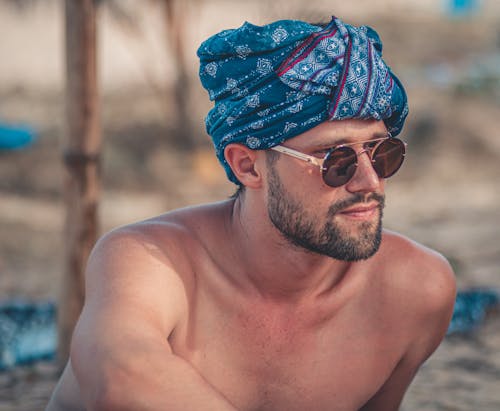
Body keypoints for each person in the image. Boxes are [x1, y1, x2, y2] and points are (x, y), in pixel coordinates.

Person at [46, 16, 456, 411]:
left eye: (382, 152)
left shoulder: (414, 292)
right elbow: (119, 378)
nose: (370, 182)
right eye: (336, 158)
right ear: (248, 166)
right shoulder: (154, 261)